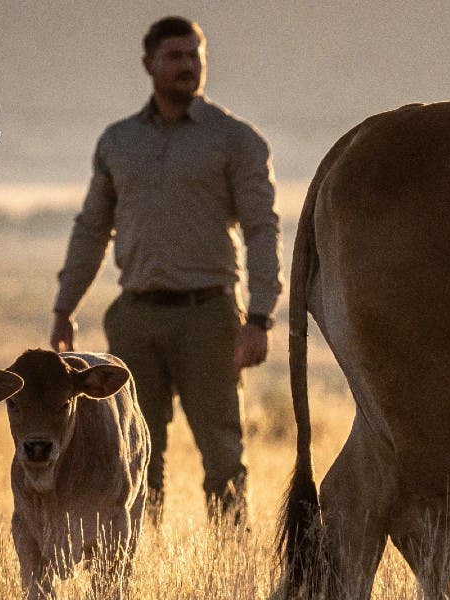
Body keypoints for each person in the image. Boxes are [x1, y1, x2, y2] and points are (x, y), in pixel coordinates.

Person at [50, 15, 279, 523]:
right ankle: (139, 560)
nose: (187, 66)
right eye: (174, 56)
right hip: (134, 316)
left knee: (223, 453)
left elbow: (262, 229)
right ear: (148, 64)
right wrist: (65, 307)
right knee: (132, 451)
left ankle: (229, 559)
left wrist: (259, 317)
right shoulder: (118, 142)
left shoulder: (235, 139)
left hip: (209, 315)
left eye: (195, 55)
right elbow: (91, 229)